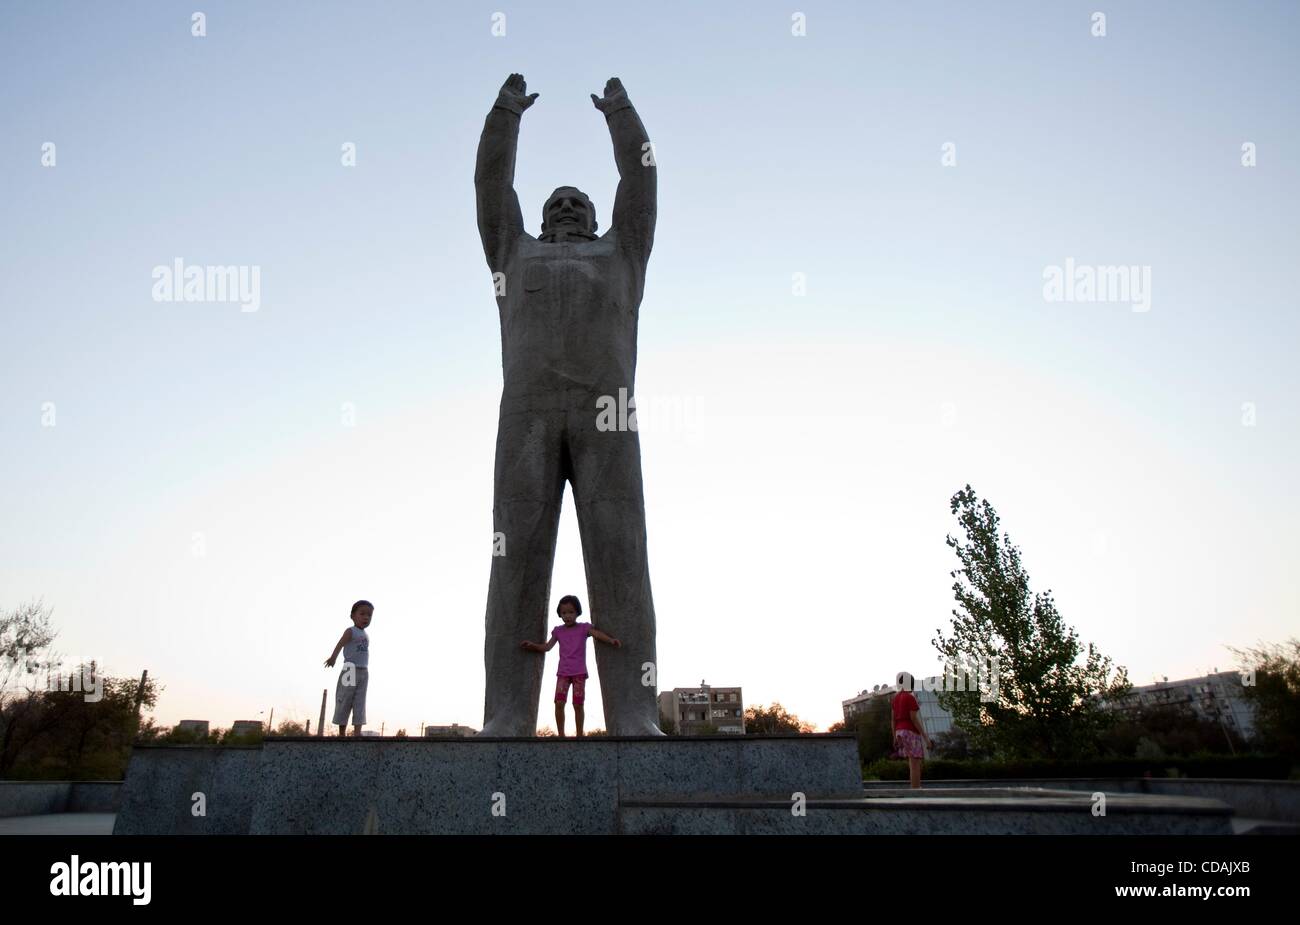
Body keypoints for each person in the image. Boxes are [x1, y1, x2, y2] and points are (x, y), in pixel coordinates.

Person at [520, 594, 620, 737]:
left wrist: (611, 640)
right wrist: (532, 646)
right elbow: (547, 647)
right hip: (563, 673)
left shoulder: (584, 628)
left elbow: (597, 634)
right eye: (564, 613)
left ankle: (579, 735)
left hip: (579, 673)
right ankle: (561, 736)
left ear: (577, 612)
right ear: (560, 614)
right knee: (559, 703)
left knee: (578, 705)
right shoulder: (558, 631)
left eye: (571, 612)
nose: (567, 616)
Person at [325, 600, 373, 737]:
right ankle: (342, 733)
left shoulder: (366, 635)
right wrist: (333, 657)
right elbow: (340, 644)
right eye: (362, 614)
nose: (366, 618)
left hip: (363, 671)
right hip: (350, 669)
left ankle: (357, 732)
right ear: (352, 616)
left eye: (369, 615)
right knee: (345, 698)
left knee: (360, 701)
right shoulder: (350, 631)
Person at [892, 671, 932, 789]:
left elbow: (893, 720)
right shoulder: (910, 698)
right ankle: (916, 790)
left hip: (899, 731)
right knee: (916, 763)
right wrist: (926, 737)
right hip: (910, 731)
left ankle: (914, 788)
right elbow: (914, 718)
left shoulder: (895, 698)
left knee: (911, 761)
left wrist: (894, 736)